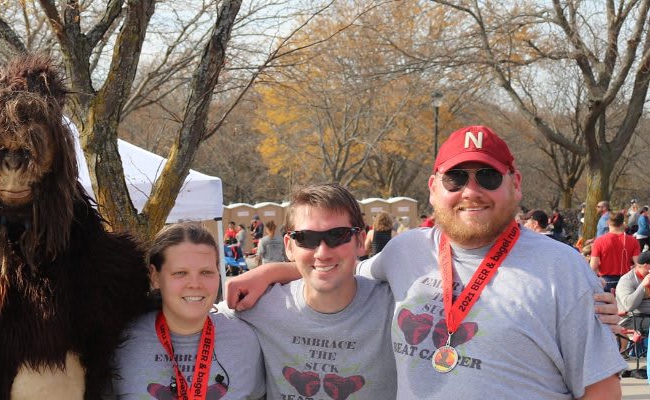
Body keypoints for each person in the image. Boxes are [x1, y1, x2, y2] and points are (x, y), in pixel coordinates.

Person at [227, 126, 624, 398]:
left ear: (515, 184)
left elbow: (601, 389)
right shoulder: (405, 251)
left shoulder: (561, 268)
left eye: (487, 176)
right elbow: (337, 267)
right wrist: (269, 272)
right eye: (455, 178)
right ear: (434, 189)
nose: (471, 191)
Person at [237, 184, 396, 399]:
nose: (322, 252)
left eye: (338, 235)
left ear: (360, 240)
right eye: (306, 238)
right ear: (289, 246)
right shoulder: (258, 307)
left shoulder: (395, 309)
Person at [108, 222, 266, 398]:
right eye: (180, 273)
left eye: (206, 272)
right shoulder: (122, 342)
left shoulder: (244, 340)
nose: (195, 284)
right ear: (155, 277)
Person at [591, 212, 640, 293]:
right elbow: (638, 264)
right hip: (626, 279)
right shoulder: (633, 241)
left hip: (606, 281)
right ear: (623, 224)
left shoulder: (599, 241)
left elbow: (593, 266)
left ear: (608, 223)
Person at [615, 251, 650, 332]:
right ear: (647, 266)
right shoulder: (627, 280)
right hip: (631, 318)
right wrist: (643, 285)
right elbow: (629, 306)